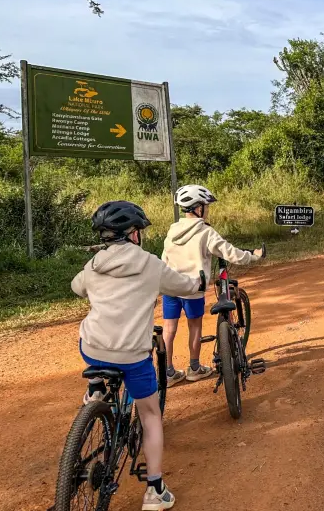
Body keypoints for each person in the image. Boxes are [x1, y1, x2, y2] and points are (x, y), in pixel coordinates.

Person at [74, 200, 205, 511]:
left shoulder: (94, 264)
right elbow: (184, 286)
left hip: (93, 347)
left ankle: (95, 388)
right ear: (134, 234)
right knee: (150, 416)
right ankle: (155, 490)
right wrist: (199, 281)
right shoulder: (150, 264)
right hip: (132, 355)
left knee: (92, 346)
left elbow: (77, 288)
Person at [161, 184, 263, 385]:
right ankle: (194, 368)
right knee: (194, 327)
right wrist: (252, 255)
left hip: (170, 287)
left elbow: (164, 259)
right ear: (198, 208)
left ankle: (167, 372)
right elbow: (230, 252)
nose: (207, 210)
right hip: (192, 289)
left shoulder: (172, 230)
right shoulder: (205, 232)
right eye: (206, 206)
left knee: (169, 328)